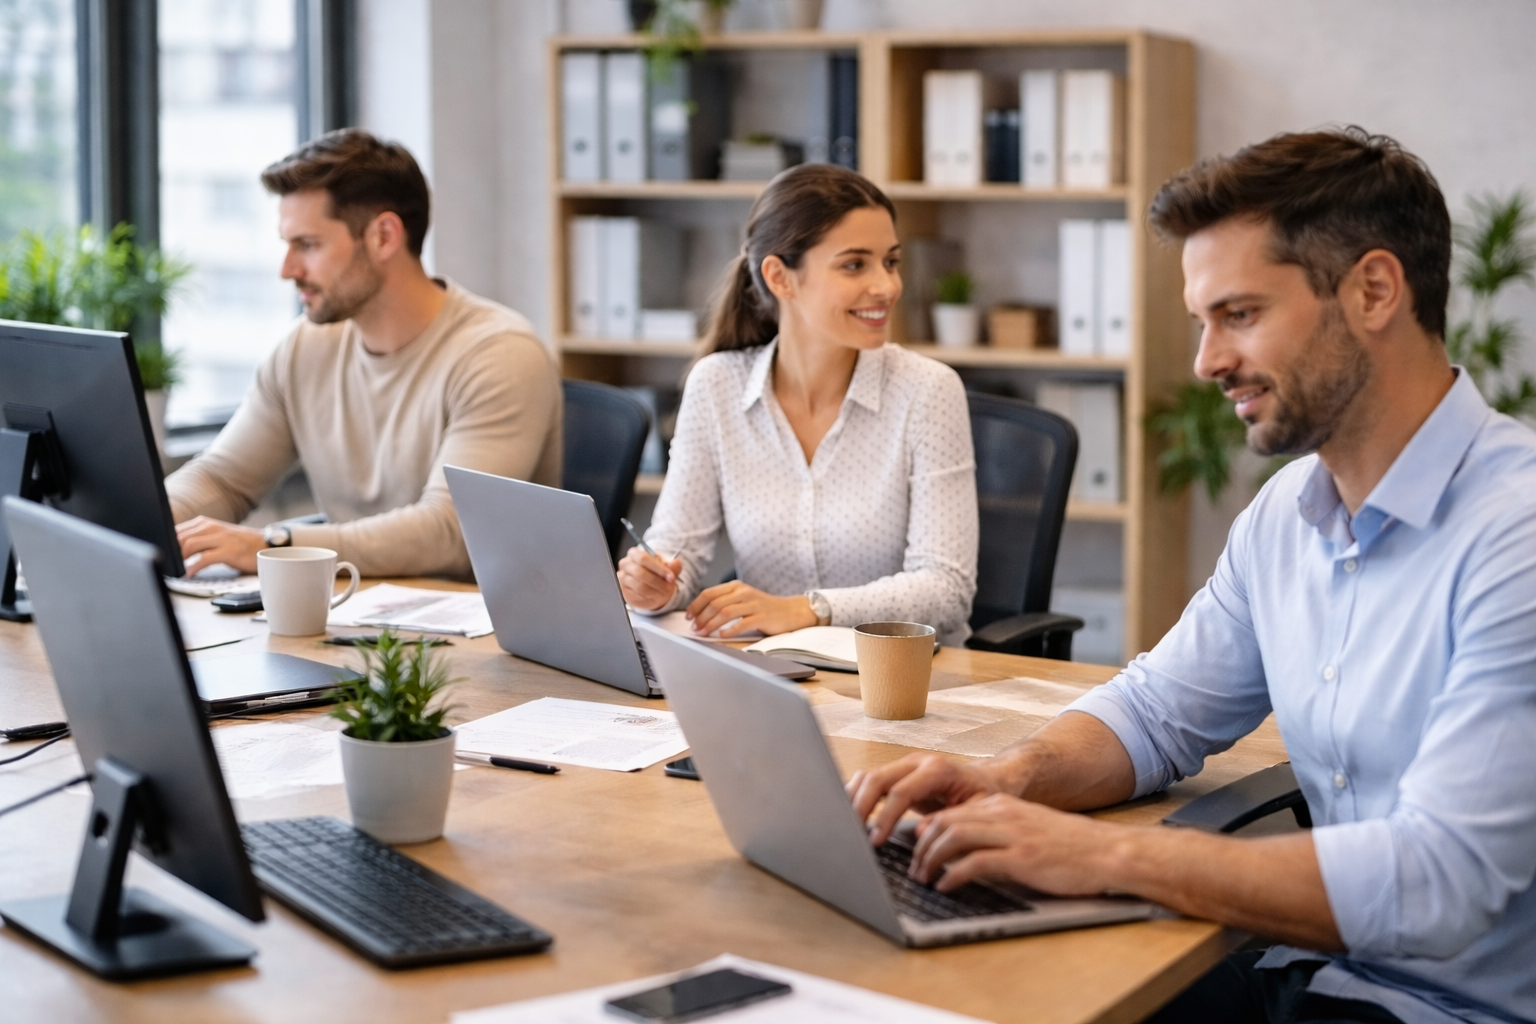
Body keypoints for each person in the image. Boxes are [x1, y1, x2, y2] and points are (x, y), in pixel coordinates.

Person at [847, 128, 1536, 1024]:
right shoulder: (1289, 515)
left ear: (1373, 290)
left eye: (1239, 315)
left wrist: (1098, 858)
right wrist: (1007, 779)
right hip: (1314, 977)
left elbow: (1441, 883)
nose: (1208, 361)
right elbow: (1157, 711)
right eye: (1203, 322)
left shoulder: (1513, 537)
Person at [167, 128, 561, 579]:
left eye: (308, 245)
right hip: (352, 618)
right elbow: (223, 480)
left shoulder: (500, 355)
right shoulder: (303, 349)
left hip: (472, 634)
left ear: (383, 237)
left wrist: (274, 545)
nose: (287, 270)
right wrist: (138, 524)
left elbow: (451, 531)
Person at [617, 163, 978, 645]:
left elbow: (947, 589)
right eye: (855, 264)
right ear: (780, 277)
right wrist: (654, 584)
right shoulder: (717, 385)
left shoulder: (928, 391)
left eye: (890, 262)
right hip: (769, 673)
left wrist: (809, 610)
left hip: (903, 681)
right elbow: (678, 550)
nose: (887, 286)